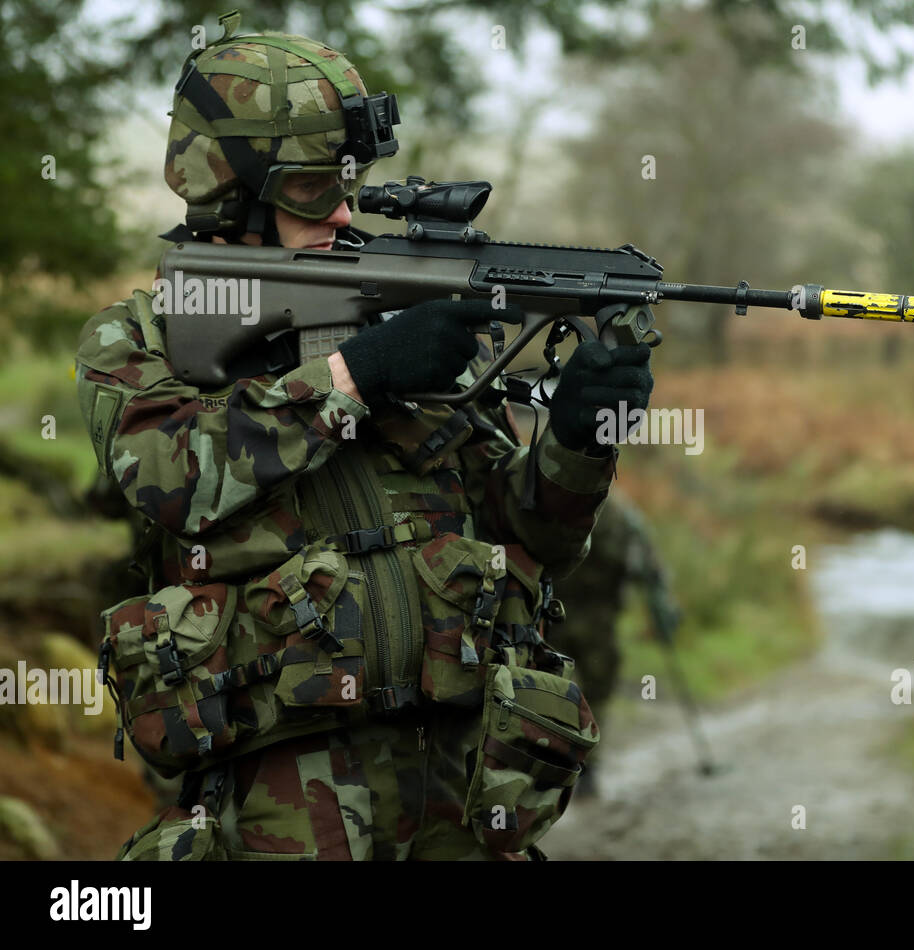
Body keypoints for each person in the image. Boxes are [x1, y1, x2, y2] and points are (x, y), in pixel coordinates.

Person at [75, 13, 652, 861]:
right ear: (228, 185)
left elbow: (529, 540)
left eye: (350, 184)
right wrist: (355, 374)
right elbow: (174, 478)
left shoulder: (390, 316)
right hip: (283, 816)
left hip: (462, 797)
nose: (346, 210)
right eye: (313, 191)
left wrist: (579, 437)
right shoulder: (141, 339)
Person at [546, 491, 674, 797]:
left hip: (554, 616)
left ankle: (552, 767)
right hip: (596, 621)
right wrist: (658, 605)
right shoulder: (622, 517)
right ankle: (585, 769)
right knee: (595, 697)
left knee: (549, 691)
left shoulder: (554, 503)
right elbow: (644, 567)